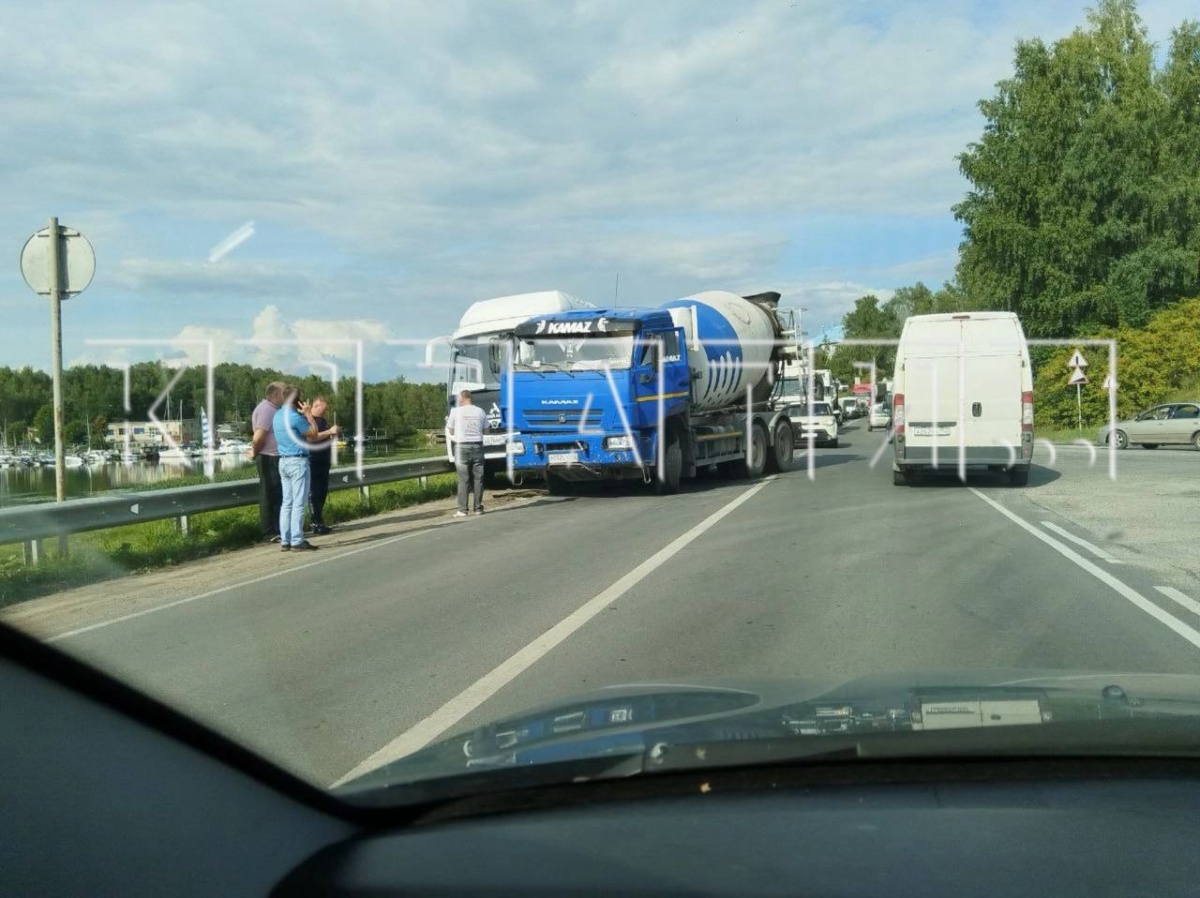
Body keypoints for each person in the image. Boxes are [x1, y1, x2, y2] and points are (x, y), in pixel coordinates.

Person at [272, 385, 321, 552]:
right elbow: (314, 433)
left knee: (287, 502)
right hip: (298, 461)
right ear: (297, 399)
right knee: (299, 503)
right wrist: (308, 414)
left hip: (283, 461)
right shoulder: (295, 417)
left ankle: (285, 540)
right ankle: (297, 540)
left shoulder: (277, 416)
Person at [248, 381, 286, 543]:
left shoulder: (273, 409)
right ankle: (269, 531)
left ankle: (278, 529)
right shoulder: (266, 410)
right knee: (270, 493)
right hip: (268, 457)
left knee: (278, 494)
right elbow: (259, 436)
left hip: (274, 456)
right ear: (276, 394)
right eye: (285, 393)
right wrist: (254, 453)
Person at [446, 388, 488, 517]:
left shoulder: (455, 412)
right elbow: (486, 431)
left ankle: (463, 510)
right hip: (477, 446)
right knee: (478, 479)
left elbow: (451, 431)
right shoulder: (480, 411)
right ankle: (478, 508)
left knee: (463, 479)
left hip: (461, 447)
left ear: (461, 399)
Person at [307, 396, 340, 535]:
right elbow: (310, 437)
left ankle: (319, 520)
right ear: (315, 406)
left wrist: (333, 435)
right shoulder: (308, 420)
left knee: (322, 492)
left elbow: (325, 437)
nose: (325, 411)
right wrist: (329, 432)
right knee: (314, 493)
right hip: (313, 460)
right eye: (323, 408)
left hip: (324, 461)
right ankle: (315, 522)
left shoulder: (323, 421)